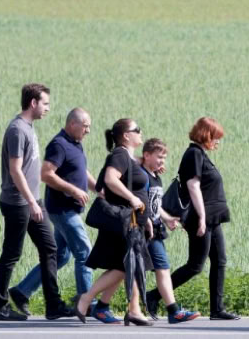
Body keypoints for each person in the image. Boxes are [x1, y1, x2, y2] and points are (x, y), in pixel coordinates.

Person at [8, 107, 116, 321]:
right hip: (62, 209)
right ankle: (87, 302)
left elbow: (81, 171)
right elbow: (46, 174)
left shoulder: (75, 144)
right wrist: (73, 190)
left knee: (60, 256)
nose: (88, 131)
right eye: (85, 126)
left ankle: (22, 291)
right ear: (73, 124)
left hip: (68, 209)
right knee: (85, 252)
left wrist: (98, 189)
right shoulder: (59, 144)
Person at [0, 83, 80, 322]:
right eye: (45, 103)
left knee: (50, 249)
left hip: (31, 201)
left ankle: (53, 305)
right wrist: (31, 202)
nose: (48, 108)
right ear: (33, 103)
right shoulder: (17, 130)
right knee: (12, 253)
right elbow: (15, 170)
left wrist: (34, 201)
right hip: (18, 202)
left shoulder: (28, 127)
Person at [75, 118, 155, 326]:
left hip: (134, 222)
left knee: (129, 265)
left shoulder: (127, 156)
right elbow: (110, 179)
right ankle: (87, 299)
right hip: (125, 222)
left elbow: (107, 186)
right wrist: (132, 198)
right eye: (137, 129)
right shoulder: (120, 154)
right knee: (126, 266)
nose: (141, 132)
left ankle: (123, 308)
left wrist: (146, 218)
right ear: (126, 135)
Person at [159, 117, 240, 320]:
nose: (218, 141)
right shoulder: (194, 154)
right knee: (195, 265)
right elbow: (193, 186)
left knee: (220, 261)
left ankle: (217, 309)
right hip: (201, 219)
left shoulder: (201, 154)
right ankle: (153, 296)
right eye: (216, 137)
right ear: (206, 135)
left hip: (213, 219)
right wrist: (202, 218)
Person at [139, 138, 200, 323]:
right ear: (146, 155)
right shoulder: (141, 175)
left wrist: (166, 218)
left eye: (164, 158)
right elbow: (140, 201)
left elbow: (154, 205)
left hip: (155, 230)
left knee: (161, 267)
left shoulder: (155, 176)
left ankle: (171, 310)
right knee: (123, 270)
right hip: (143, 231)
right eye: (159, 157)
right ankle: (92, 302)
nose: (162, 162)